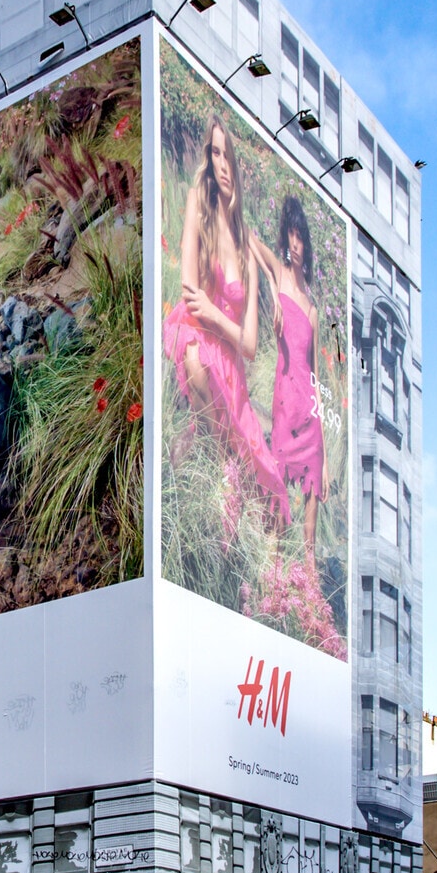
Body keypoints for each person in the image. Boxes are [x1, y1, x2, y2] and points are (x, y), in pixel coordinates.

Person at [162, 116, 288, 522]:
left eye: (228, 156)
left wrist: (222, 312)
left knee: (269, 492)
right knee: (196, 359)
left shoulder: (246, 244)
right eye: (215, 153)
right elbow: (189, 292)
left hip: (231, 364)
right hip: (196, 334)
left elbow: (249, 346)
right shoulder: (198, 202)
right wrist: (215, 320)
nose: (222, 165)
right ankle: (208, 485)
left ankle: (216, 489)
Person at [250, 193, 326, 555]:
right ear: (285, 236)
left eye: (301, 238)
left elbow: (316, 380)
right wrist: (269, 279)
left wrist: (326, 457)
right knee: (277, 498)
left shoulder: (312, 310)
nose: (295, 245)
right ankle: (274, 577)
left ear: (306, 245)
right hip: (284, 406)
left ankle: (309, 583)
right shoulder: (279, 274)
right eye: (291, 236)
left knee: (310, 531)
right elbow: (248, 238)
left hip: (309, 414)